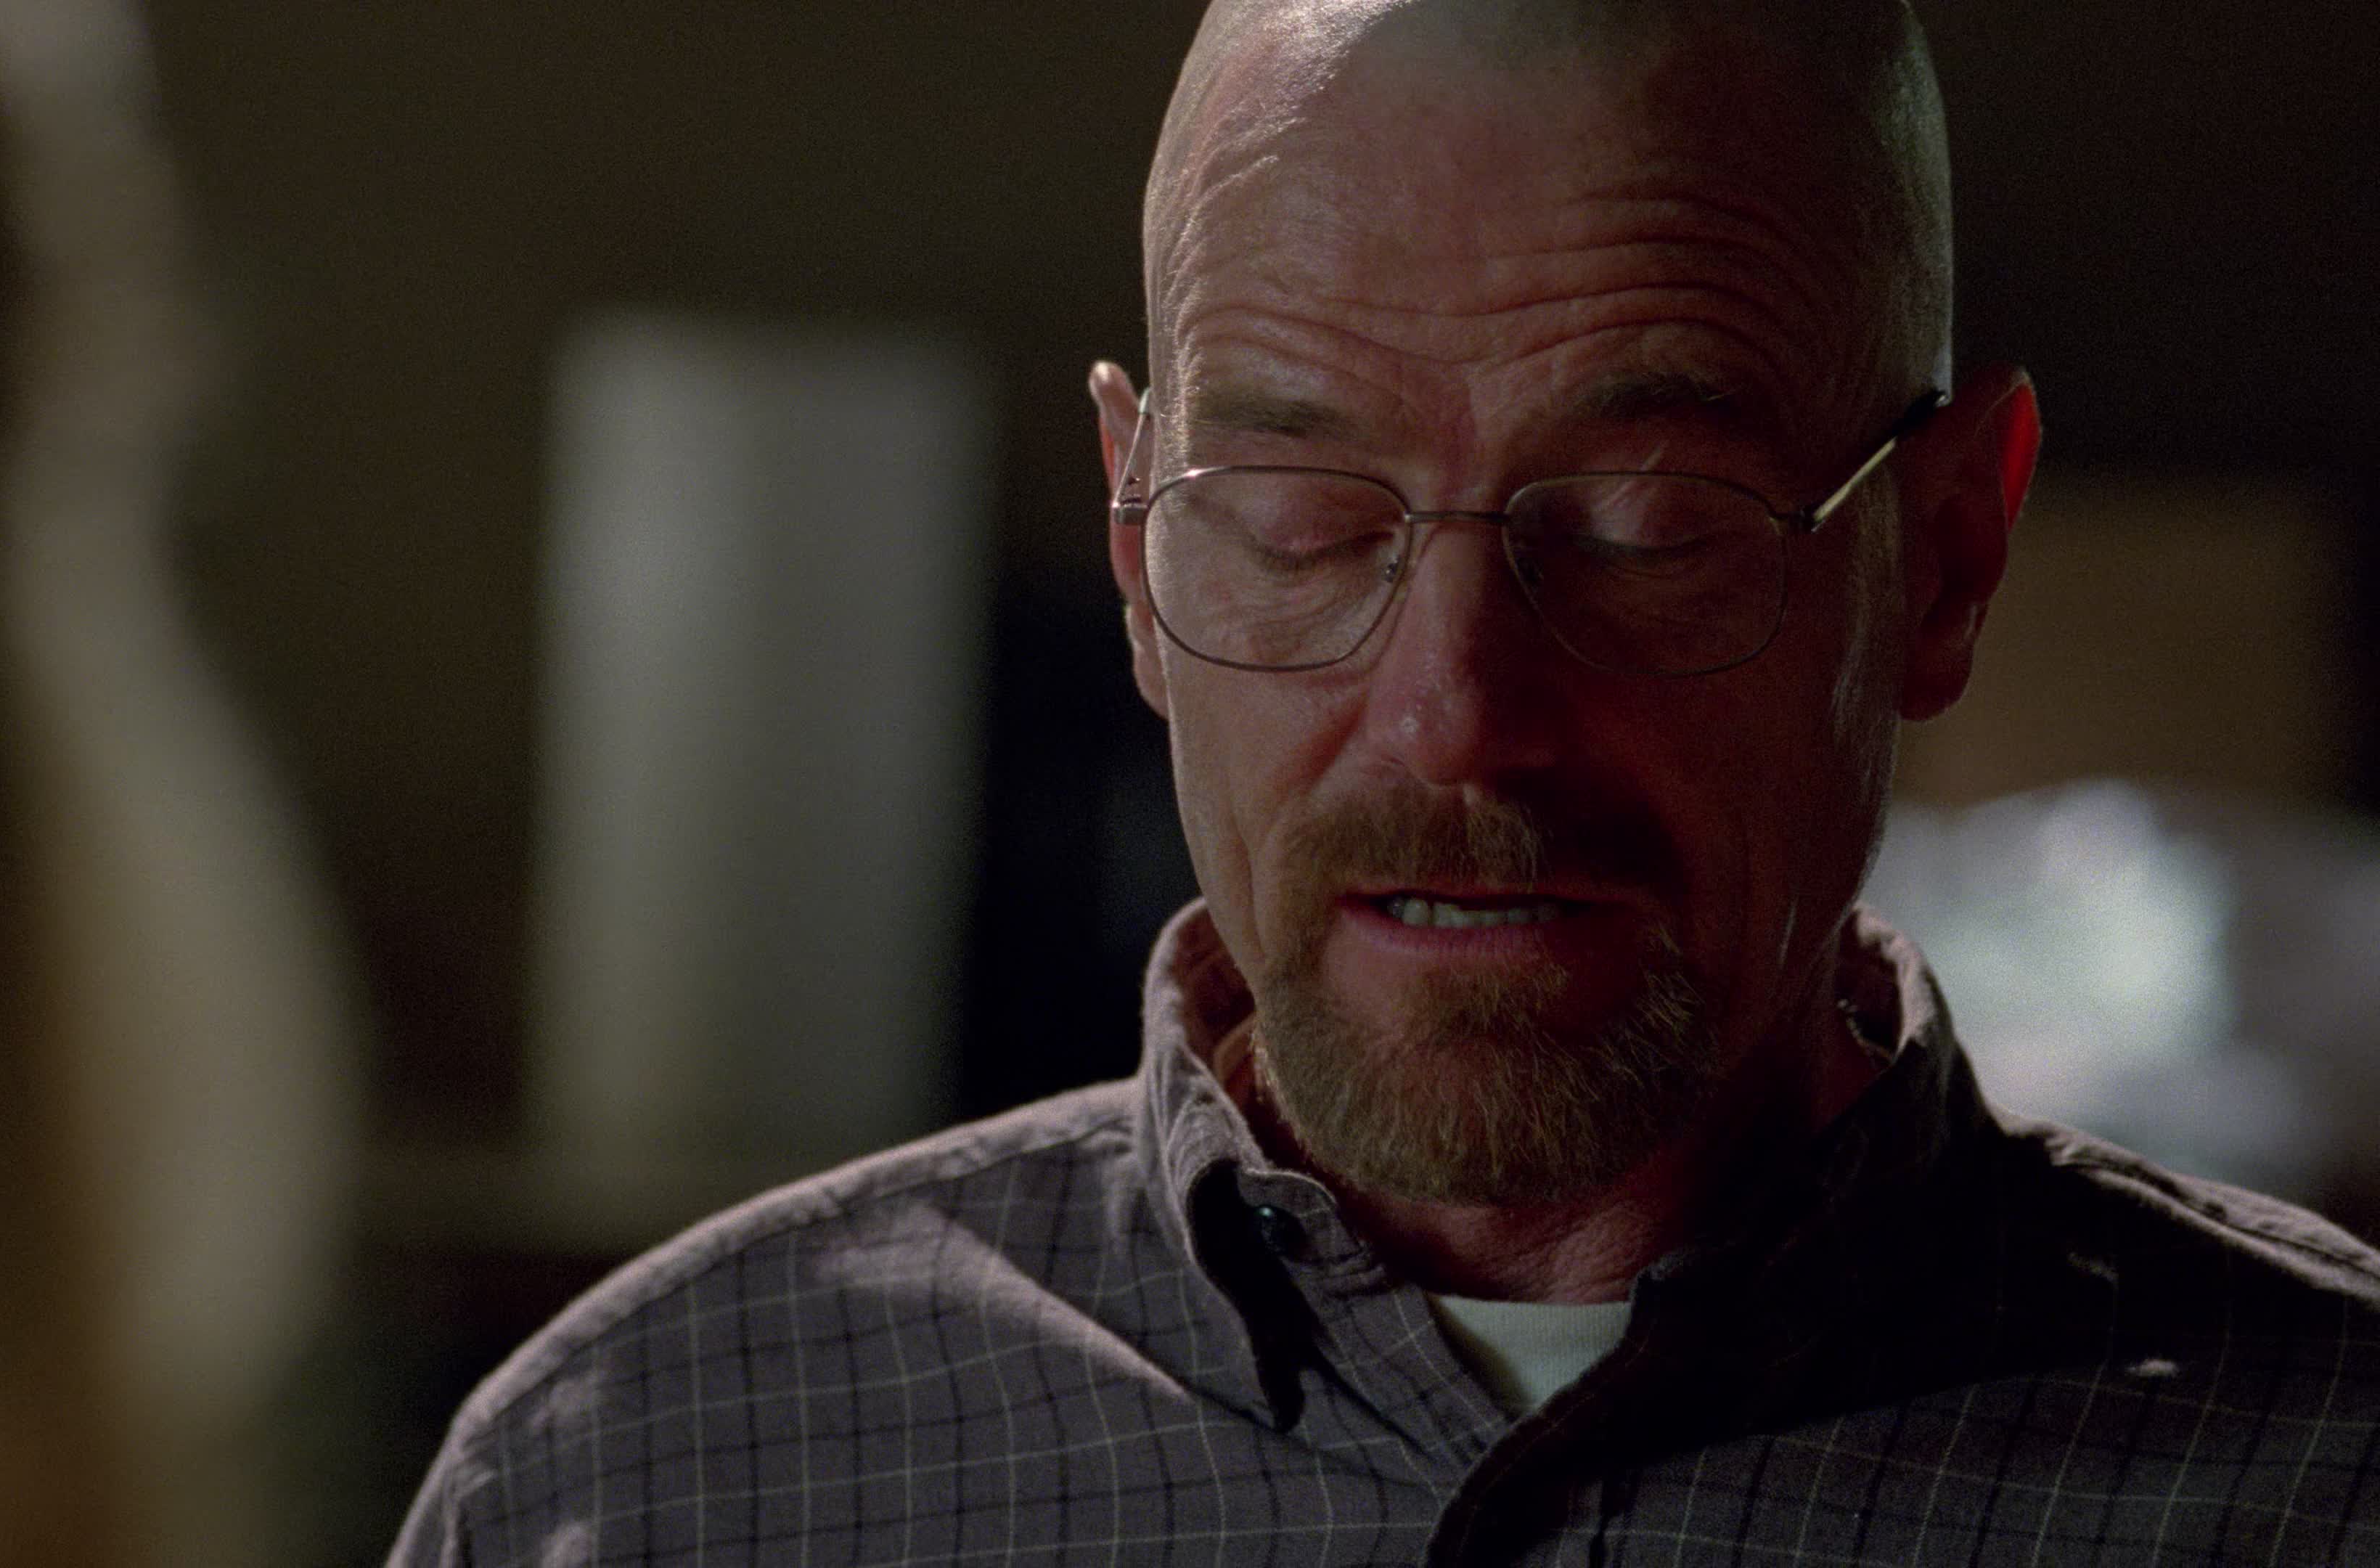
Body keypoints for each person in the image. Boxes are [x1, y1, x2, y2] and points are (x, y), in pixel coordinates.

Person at [392, 1, 2380, 1560]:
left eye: (1644, 527)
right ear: (1138, 551)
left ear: (1943, 560)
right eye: (1302, 522)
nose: (1455, 717)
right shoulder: (651, 1482)